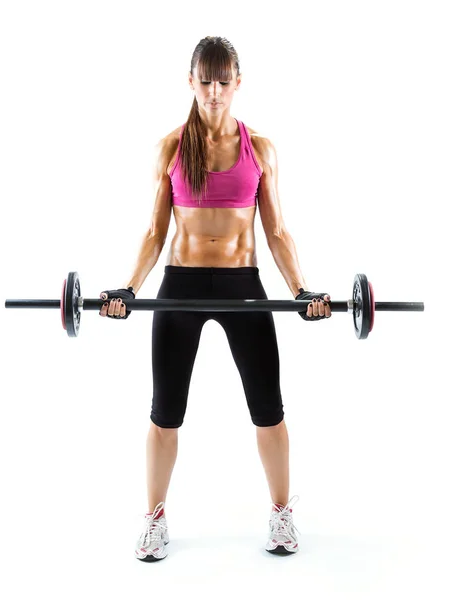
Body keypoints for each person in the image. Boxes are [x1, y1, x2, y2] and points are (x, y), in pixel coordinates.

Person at [98, 36, 331, 562]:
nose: (214, 91)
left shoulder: (261, 148)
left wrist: (301, 292)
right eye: (205, 80)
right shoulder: (171, 146)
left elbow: (276, 232)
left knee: (268, 409)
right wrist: (129, 289)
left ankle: (281, 515)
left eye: (224, 81)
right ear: (191, 82)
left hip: (241, 287)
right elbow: (155, 233)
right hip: (179, 287)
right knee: (165, 413)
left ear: (238, 84)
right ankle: (154, 519)